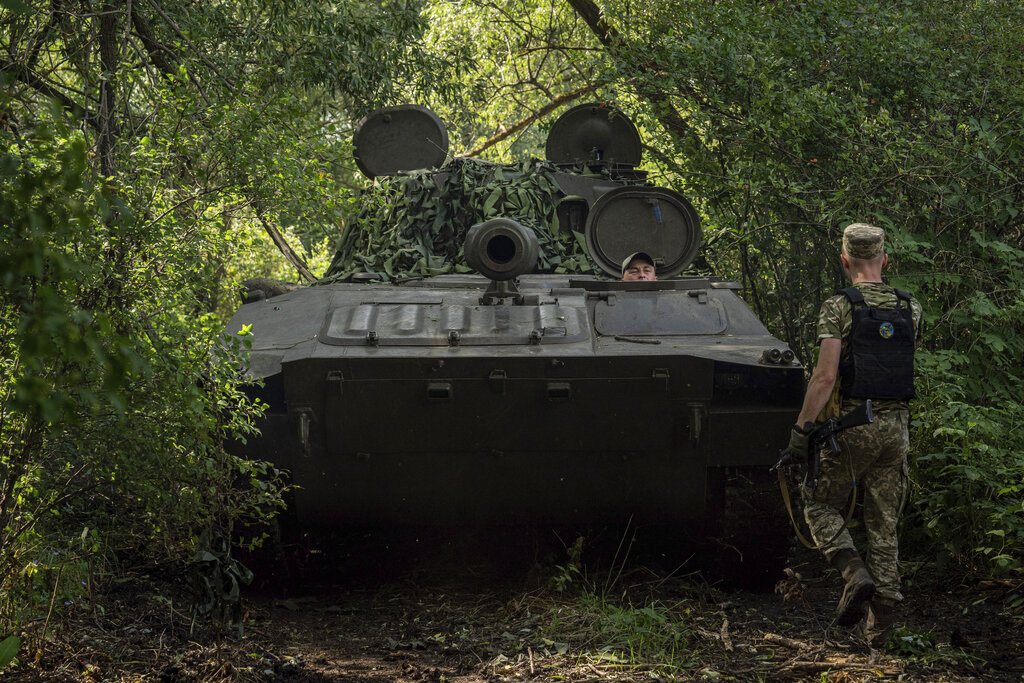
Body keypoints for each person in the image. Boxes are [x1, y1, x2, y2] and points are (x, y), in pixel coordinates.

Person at [781, 223, 922, 638]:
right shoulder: (909, 307)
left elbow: (825, 377)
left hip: (852, 426)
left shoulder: (839, 306)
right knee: (884, 523)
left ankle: (854, 571)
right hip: (897, 428)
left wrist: (801, 430)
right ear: (885, 260)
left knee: (819, 504)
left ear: (845, 262)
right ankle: (883, 627)